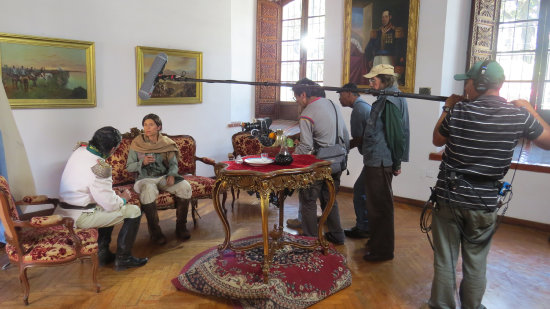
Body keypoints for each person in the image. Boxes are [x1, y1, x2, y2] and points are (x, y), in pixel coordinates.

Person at [427, 60, 550, 308]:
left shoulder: (459, 111)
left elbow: (437, 139)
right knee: (476, 262)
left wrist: (448, 106)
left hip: (449, 198)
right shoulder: (518, 115)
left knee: (445, 260)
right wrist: (530, 110)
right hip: (484, 203)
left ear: (478, 83)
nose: (466, 87)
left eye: (468, 82)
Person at [55, 126, 148, 271]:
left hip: (65, 210)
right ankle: (124, 259)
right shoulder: (100, 167)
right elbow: (111, 205)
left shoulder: (80, 150)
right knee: (134, 210)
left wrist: (112, 198)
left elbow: (98, 193)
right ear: (112, 149)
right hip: (79, 217)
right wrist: (123, 199)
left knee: (106, 205)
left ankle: (102, 254)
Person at [292, 78, 350, 245]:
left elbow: (305, 146)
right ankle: (337, 235)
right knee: (329, 198)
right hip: (338, 162)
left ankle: (310, 240)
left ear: (303, 94)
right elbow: (346, 136)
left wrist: (290, 158)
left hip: (319, 165)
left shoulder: (307, 113)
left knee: (308, 201)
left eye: (296, 97)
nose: (296, 101)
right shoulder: (333, 105)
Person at [362, 64, 410, 261]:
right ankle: (377, 242)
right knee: (376, 205)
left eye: (374, 80)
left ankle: (382, 250)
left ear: (385, 80)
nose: (371, 83)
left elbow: (396, 136)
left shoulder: (390, 101)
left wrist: (397, 162)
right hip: (377, 159)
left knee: (380, 207)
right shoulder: (387, 98)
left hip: (381, 161)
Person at [126, 113, 193, 245]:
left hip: (163, 176)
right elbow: (129, 167)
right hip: (145, 179)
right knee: (148, 191)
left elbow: (174, 164)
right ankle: (155, 233)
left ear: (159, 127)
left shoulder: (167, 143)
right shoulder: (137, 143)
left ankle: (181, 227)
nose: (147, 128)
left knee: (185, 187)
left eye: (151, 124)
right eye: (145, 125)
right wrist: (142, 163)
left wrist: (172, 174)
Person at [337, 83, 371, 239]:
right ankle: (367, 225)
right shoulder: (364, 106)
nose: (339, 98)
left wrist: (341, 149)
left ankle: (364, 227)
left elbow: (358, 139)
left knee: (359, 191)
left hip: (374, 158)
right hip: (374, 157)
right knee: (365, 191)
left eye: (341, 94)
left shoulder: (358, 110)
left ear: (350, 93)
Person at [364, 9, 406, 84]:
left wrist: (399, 63)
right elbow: (369, 47)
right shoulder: (376, 32)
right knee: (376, 79)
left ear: (390, 17)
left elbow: (400, 49)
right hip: (377, 60)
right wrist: (370, 58)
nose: (384, 19)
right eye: (383, 17)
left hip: (390, 60)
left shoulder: (396, 31)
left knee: (390, 80)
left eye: (386, 17)